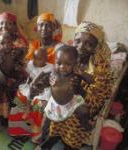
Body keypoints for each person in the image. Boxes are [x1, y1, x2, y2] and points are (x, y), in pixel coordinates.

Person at [46, 21, 112, 149]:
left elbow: (99, 97)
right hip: (66, 96)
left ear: (96, 47)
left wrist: (80, 90)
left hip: (87, 101)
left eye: (89, 44)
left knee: (77, 115)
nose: (81, 46)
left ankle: (70, 144)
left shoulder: (100, 66)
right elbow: (55, 70)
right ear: (73, 40)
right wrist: (53, 79)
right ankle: (54, 136)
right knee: (54, 107)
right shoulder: (68, 55)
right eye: (78, 41)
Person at [8, 47, 54, 143]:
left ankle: (36, 133)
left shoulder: (50, 67)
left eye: (40, 58)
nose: (36, 61)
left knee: (39, 106)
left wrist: (38, 85)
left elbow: (47, 81)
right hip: (29, 88)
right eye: (35, 58)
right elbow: (26, 73)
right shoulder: (31, 64)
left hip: (43, 91)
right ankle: (20, 130)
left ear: (46, 58)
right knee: (18, 99)